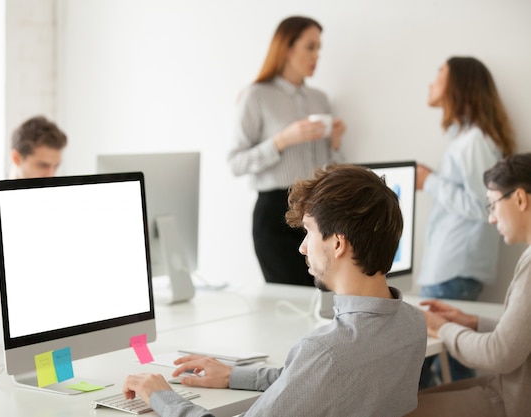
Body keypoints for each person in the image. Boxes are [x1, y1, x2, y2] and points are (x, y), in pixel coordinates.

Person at [122, 164, 426, 417]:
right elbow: (313, 381)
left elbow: (320, 370)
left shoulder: (326, 351)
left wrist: (162, 397)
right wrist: (234, 375)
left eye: (309, 231)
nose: (302, 246)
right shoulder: (413, 324)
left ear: (337, 242)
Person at [416, 56, 516, 387]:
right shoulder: (465, 137)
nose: (431, 82)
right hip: (454, 265)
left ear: (458, 85)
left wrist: (429, 180)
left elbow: (483, 206)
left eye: (439, 74)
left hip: (453, 267)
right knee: (448, 365)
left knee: (437, 363)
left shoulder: (474, 142)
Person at [407, 153, 531, 417]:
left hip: (514, 402)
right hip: (510, 388)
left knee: (401, 410)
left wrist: (441, 327)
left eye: (493, 205)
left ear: (520, 199)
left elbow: (501, 354)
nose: (492, 219)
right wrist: (472, 322)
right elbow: (520, 339)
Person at [227, 16, 347, 287]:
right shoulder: (256, 96)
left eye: (319, 48)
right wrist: (282, 140)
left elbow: (331, 170)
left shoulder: (320, 99)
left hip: (319, 211)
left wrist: (336, 144)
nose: (316, 55)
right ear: (287, 48)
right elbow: (235, 162)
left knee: (323, 297)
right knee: (288, 300)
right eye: (310, 47)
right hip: (275, 215)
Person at [0, 115, 68, 305]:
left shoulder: (57, 208)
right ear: (16, 158)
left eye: (55, 166)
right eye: (43, 165)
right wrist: (25, 295)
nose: (51, 175)